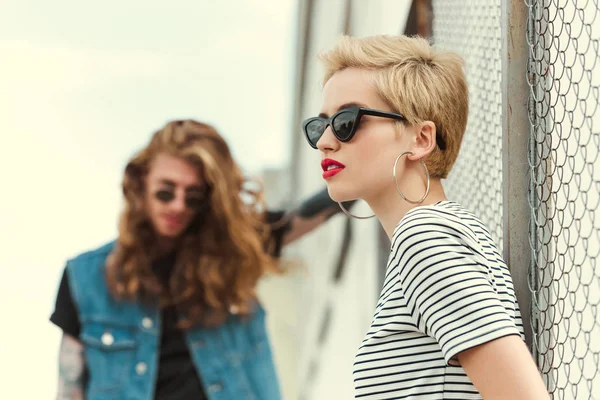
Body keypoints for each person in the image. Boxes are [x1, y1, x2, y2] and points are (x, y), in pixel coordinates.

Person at [301, 35, 549, 399]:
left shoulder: (425, 237)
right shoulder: (435, 234)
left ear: (420, 139)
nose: (325, 140)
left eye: (346, 121)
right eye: (319, 125)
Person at [50, 119, 354, 400]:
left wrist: (366, 171)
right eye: (165, 193)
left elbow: (306, 215)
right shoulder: (84, 277)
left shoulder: (232, 252)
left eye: (193, 196)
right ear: (141, 184)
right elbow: (69, 386)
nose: (178, 206)